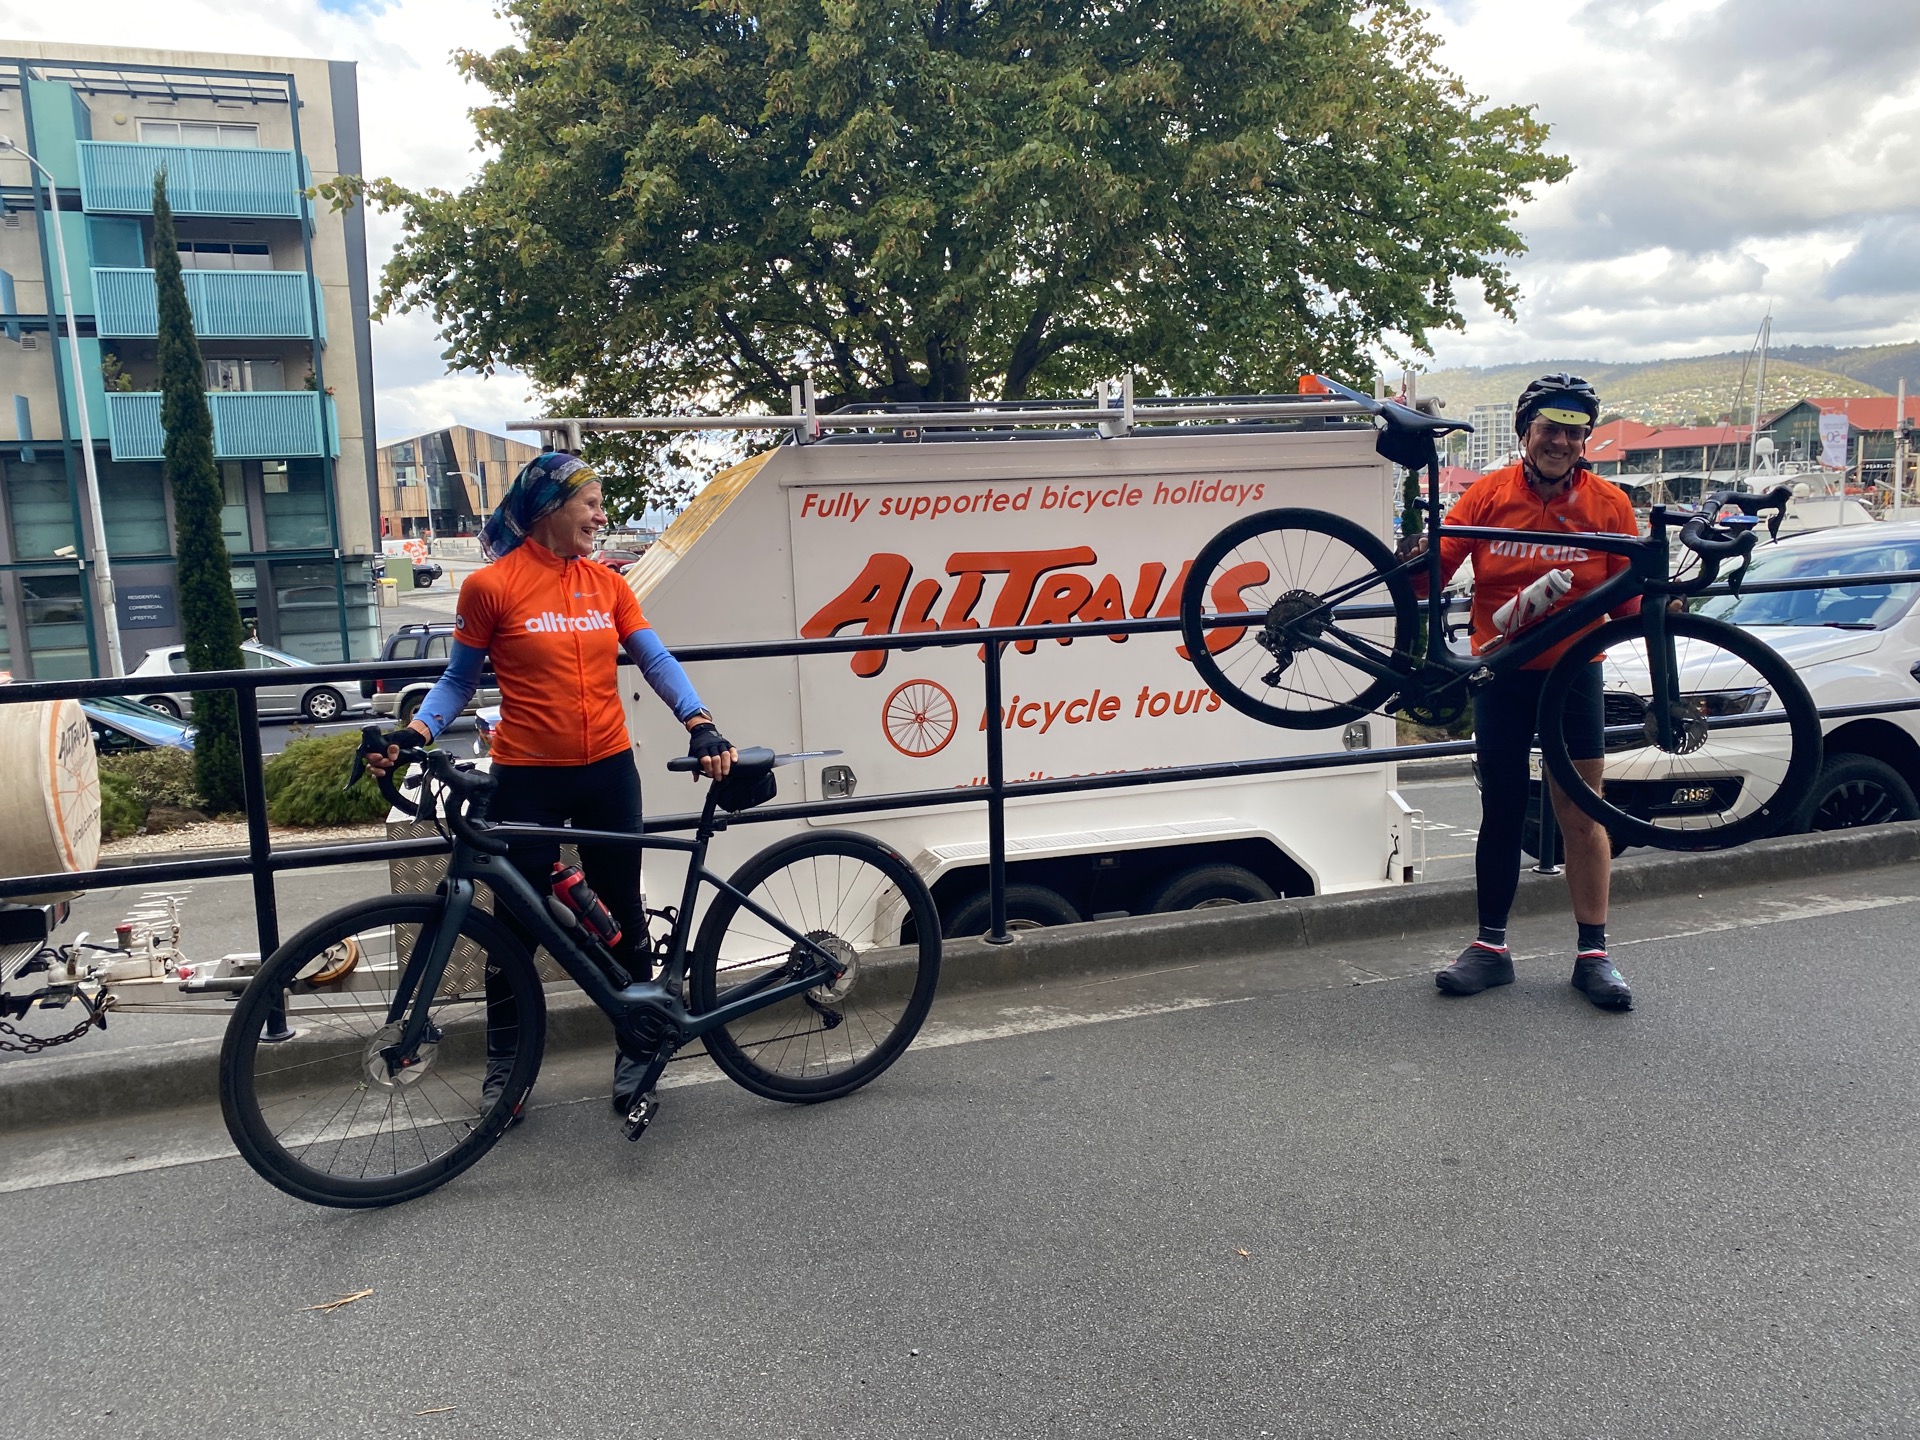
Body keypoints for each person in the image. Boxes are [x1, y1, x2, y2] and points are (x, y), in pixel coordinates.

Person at [364, 451, 735, 1118]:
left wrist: (699, 721)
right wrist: (415, 733)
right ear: (548, 509)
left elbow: (653, 656)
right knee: (517, 931)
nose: (600, 514)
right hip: (526, 778)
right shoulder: (491, 587)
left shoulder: (609, 585)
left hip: (608, 772)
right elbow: (457, 680)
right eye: (590, 502)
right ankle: (508, 1066)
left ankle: (638, 1046)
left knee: (623, 914)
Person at [1404, 374, 1637, 1011]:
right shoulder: (1485, 495)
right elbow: (1432, 578)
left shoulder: (1610, 505)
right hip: (1500, 673)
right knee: (1502, 808)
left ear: (1585, 438)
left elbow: (1632, 605)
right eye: (1548, 429)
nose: (1560, 442)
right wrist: (1415, 551)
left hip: (1574, 674)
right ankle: (1490, 949)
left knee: (1581, 812)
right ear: (1525, 433)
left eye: (1573, 431)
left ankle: (1594, 953)